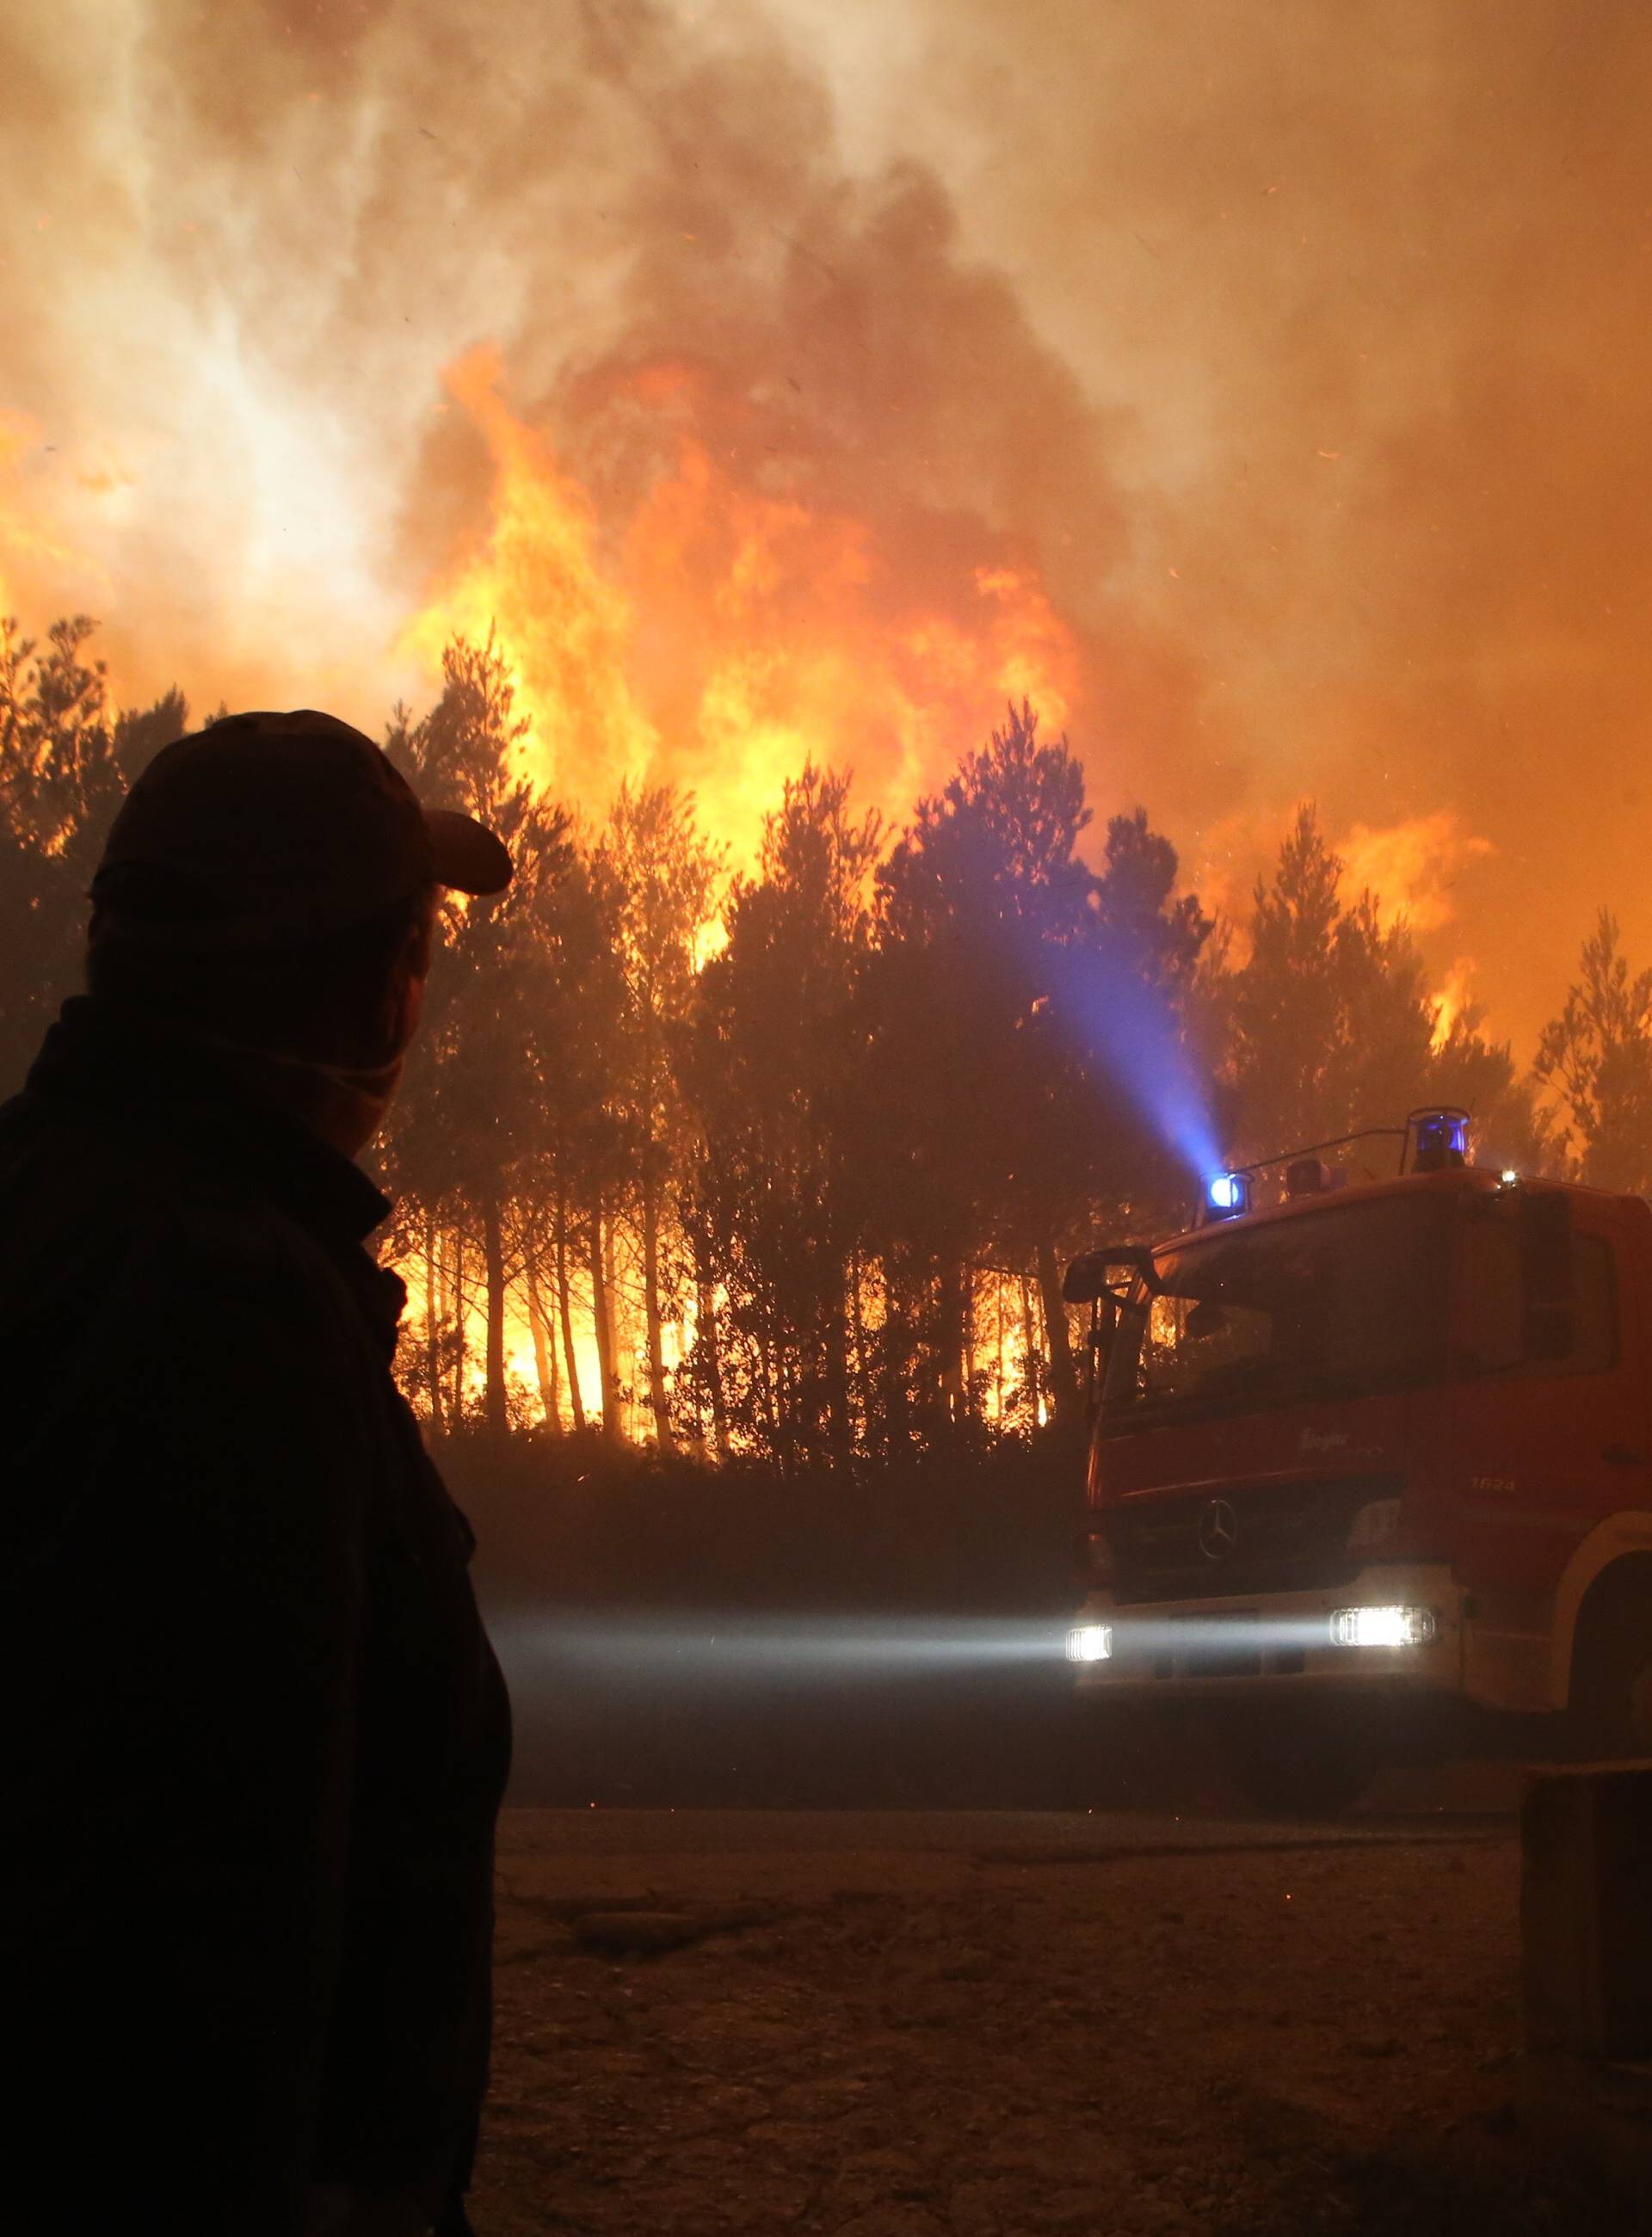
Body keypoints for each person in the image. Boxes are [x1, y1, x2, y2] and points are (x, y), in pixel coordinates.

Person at [0, 712, 515, 2236]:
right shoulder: (223, 1309)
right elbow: (207, 1904)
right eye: (417, 945)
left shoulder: (44, 1208)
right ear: (381, 991)